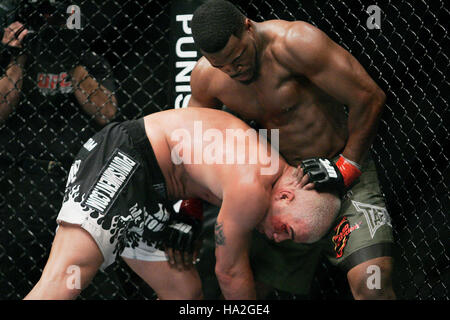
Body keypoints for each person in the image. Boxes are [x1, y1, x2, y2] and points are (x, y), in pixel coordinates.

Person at [170, 0, 395, 299]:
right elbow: (196, 141)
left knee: (373, 285)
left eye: (237, 59)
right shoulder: (206, 78)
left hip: (340, 166)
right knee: (249, 286)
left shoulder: (297, 44)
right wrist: (190, 207)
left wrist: (347, 166)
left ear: (248, 26)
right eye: (220, 65)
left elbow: (368, 97)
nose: (233, 71)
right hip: (278, 189)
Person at [24, 107, 341, 299]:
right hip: (124, 161)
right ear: (285, 196)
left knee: (184, 294)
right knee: (65, 280)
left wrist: (189, 209)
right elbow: (230, 272)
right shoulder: (253, 186)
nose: (276, 238)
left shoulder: (270, 169)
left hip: (152, 193)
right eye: (286, 229)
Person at [0, 2, 117, 299]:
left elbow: (107, 112)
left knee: (79, 275)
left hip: (78, 183)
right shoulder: (11, 59)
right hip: (21, 182)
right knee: (17, 273)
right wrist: (19, 57)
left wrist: (69, 59)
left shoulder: (87, 59)